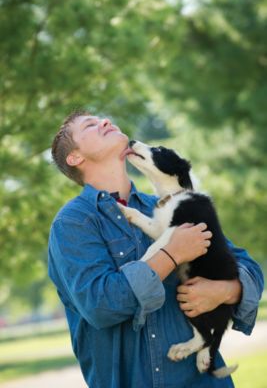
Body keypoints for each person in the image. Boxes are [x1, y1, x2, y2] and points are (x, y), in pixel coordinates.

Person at [48, 111, 264, 388]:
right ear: (75, 158)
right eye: (90, 125)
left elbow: (248, 268)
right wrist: (171, 255)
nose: (105, 121)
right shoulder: (73, 223)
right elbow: (100, 305)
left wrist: (226, 290)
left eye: (104, 119)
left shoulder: (173, 203)